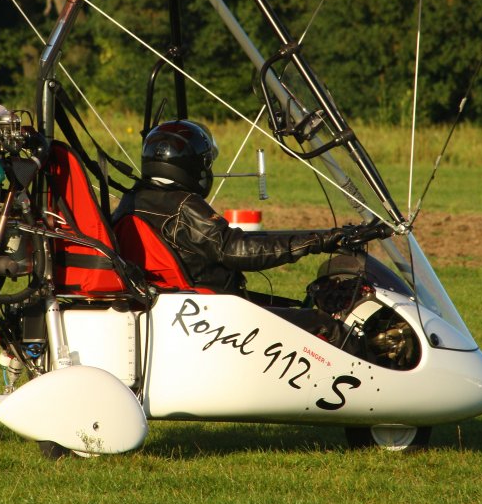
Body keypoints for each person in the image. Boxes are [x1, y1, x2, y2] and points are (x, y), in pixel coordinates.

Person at [112, 120, 366, 346]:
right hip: (216, 318)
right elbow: (236, 250)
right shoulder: (183, 205)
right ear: (193, 166)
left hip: (181, 307)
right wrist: (317, 242)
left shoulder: (133, 199)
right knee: (326, 326)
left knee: (291, 307)